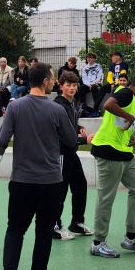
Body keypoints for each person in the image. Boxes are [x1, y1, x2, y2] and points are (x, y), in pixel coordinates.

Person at [0, 62, 78, 270]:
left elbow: (2, 140)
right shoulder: (56, 110)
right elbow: (71, 140)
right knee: (43, 233)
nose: (54, 81)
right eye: (52, 78)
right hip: (50, 182)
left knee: (15, 229)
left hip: (21, 181)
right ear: (45, 81)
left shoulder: (15, 107)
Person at [87, 70, 135, 258]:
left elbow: (120, 123)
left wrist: (130, 135)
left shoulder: (133, 99)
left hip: (125, 152)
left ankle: (130, 237)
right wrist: (131, 118)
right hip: (108, 150)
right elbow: (108, 104)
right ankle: (98, 243)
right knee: (106, 196)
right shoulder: (127, 93)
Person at [52, 71, 91, 239]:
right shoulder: (58, 105)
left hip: (71, 153)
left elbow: (69, 124)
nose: (72, 88)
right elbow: (61, 131)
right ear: (61, 86)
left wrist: (78, 126)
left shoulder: (72, 103)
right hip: (60, 153)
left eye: (74, 85)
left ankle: (76, 222)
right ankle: (54, 225)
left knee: (80, 185)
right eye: (68, 85)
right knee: (60, 191)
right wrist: (83, 139)